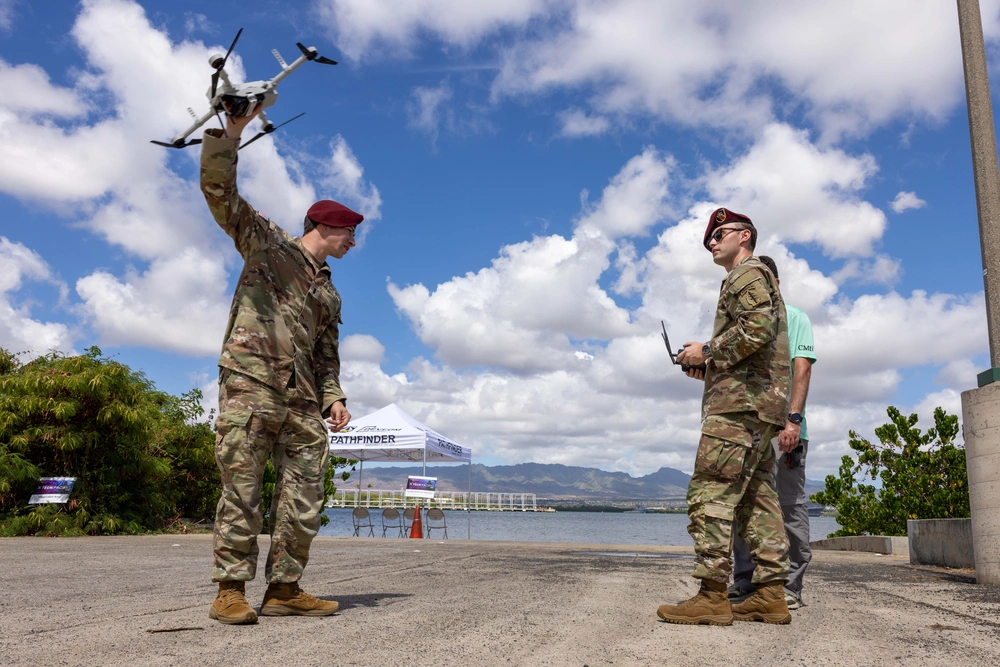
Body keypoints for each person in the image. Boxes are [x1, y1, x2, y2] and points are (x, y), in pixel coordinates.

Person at [201, 109, 358, 625]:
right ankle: (230, 590)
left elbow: (325, 352)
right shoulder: (268, 245)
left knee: (305, 490)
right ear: (323, 225)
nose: (353, 241)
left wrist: (333, 395)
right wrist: (232, 134)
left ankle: (285, 587)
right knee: (242, 487)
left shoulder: (329, 292)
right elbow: (222, 198)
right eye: (348, 232)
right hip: (252, 382)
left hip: (304, 398)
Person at [656, 207, 793, 626]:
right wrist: (709, 366)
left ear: (745, 235)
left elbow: (757, 328)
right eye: (709, 238)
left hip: (739, 412)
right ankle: (770, 595)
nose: (711, 242)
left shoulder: (746, 273)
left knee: (710, 494)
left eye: (719, 233)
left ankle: (713, 594)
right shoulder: (753, 277)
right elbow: (757, 344)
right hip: (759, 406)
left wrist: (709, 351)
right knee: (757, 500)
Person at [729, 256, 816, 611]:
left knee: (789, 506)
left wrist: (792, 421)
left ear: (774, 283)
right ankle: (746, 582)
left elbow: (802, 369)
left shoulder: (795, 318)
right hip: (747, 432)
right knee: (743, 507)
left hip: (784, 430)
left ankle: (791, 587)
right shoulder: (745, 325)